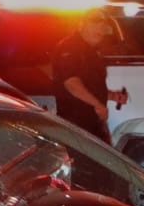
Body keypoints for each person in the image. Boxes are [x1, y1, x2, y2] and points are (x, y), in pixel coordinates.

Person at [52, 8, 128, 140]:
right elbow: (71, 83)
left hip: (91, 123)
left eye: (103, 26)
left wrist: (112, 96)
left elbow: (91, 85)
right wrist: (97, 105)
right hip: (76, 123)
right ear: (81, 25)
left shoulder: (91, 51)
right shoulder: (70, 47)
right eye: (95, 23)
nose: (101, 29)